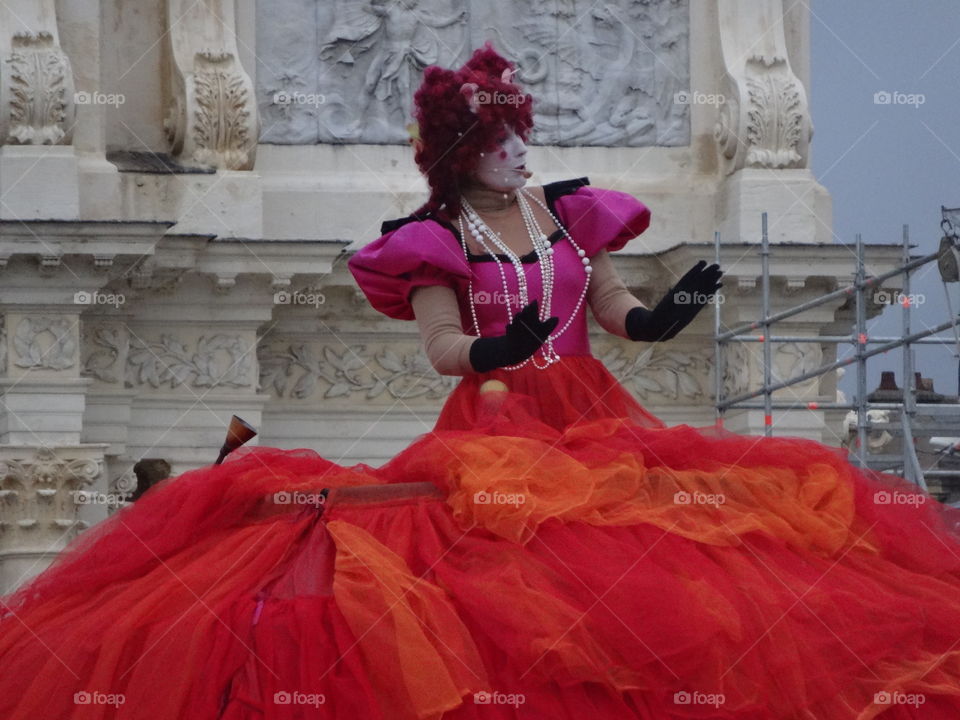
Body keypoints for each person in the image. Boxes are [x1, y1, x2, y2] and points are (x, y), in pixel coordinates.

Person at [2, 43, 960, 720]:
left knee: (664, 556)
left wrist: (666, 320)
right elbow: (442, 350)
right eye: (502, 140)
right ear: (465, 155)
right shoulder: (437, 244)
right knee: (507, 569)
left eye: (520, 133)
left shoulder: (571, 213)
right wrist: (498, 352)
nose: (520, 149)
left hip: (593, 412)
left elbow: (616, 306)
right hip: (499, 421)